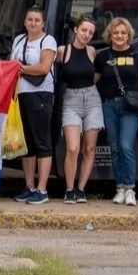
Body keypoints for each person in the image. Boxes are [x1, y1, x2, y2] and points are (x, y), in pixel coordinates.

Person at [96, 17, 138, 206]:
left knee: (126, 146)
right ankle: (119, 187)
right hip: (109, 105)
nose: (119, 36)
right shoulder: (102, 57)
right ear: (110, 35)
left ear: (129, 35)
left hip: (131, 107)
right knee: (115, 147)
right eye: (116, 32)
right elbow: (95, 82)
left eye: (123, 33)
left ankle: (130, 188)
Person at [11, 7, 58, 204]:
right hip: (20, 95)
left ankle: (42, 189)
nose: (32, 23)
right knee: (27, 143)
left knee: (41, 141)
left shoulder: (48, 41)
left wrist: (20, 68)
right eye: (29, 19)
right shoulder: (19, 40)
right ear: (24, 22)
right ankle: (29, 186)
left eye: (37, 20)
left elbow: (43, 67)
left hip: (40, 95)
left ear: (43, 23)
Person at [56, 17, 100, 204]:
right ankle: (69, 189)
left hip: (92, 99)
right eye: (84, 30)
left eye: (90, 33)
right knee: (72, 148)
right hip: (71, 99)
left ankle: (81, 189)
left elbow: (96, 75)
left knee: (89, 148)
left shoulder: (92, 51)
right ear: (76, 29)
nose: (87, 35)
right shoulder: (62, 51)